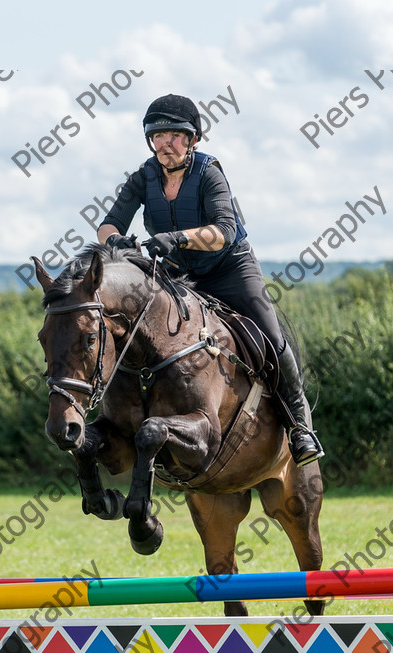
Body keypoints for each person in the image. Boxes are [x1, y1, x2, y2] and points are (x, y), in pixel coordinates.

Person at [97, 94, 323, 466]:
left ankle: (300, 427)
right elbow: (109, 223)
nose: (163, 143)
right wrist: (115, 240)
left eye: (173, 135)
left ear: (193, 140)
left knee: (271, 336)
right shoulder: (144, 176)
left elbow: (223, 230)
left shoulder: (209, 173)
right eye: (157, 136)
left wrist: (179, 237)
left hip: (229, 268)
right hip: (179, 276)